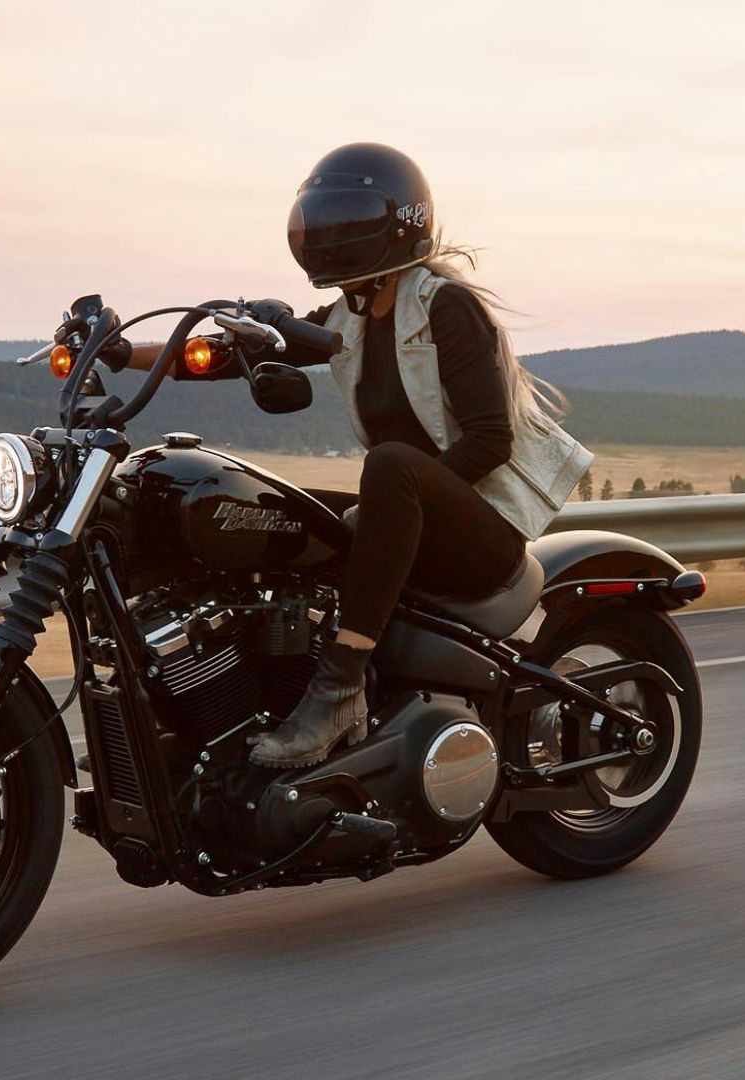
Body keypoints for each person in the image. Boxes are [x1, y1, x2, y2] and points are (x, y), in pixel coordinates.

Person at [129, 142, 593, 769]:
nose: (326, 235)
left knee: (390, 464)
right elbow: (223, 357)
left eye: (344, 219)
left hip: (481, 536)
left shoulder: (446, 308)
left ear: (396, 223)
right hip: (417, 514)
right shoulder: (350, 317)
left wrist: (410, 500)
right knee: (277, 513)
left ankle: (339, 689)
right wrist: (116, 353)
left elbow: (490, 440)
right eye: (321, 220)